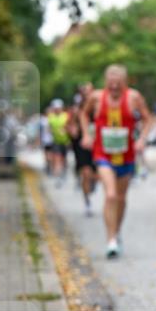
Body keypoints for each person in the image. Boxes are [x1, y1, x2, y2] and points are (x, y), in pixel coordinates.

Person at [80, 65, 153, 258]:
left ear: (124, 83)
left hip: (126, 155)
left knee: (121, 198)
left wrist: (142, 139)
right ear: (106, 82)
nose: (113, 87)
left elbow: (148, 119)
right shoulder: (96, 97)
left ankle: (117, 230)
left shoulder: (133, 97)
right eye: (110, 83)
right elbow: (83, 114)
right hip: (103, 154)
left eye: (118, 84)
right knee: (111, 195)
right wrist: (87, 134)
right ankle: (111, 239)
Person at [68, 83, 97, 216]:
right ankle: (87, 202)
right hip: (83, 145)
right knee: (86, 172)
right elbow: (71, 125)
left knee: (96, 174)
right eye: (85, 92)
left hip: (98, 145)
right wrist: (73, 130)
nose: (88, 94)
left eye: (90, 92)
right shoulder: (78, 110)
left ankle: (92, 182)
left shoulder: (99, 107)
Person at [47, 99, 70, 185]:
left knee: (64, 159)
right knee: (57, 159)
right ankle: (58, 177)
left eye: (58, 108)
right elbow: (49, 128)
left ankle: (64, 172)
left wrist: (65, 130)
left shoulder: (66, 116)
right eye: (55, 108)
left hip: (65, 141)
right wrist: (52, 132)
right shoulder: (51, 117)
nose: (57, 109)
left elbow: (70, 126)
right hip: (56, 142)